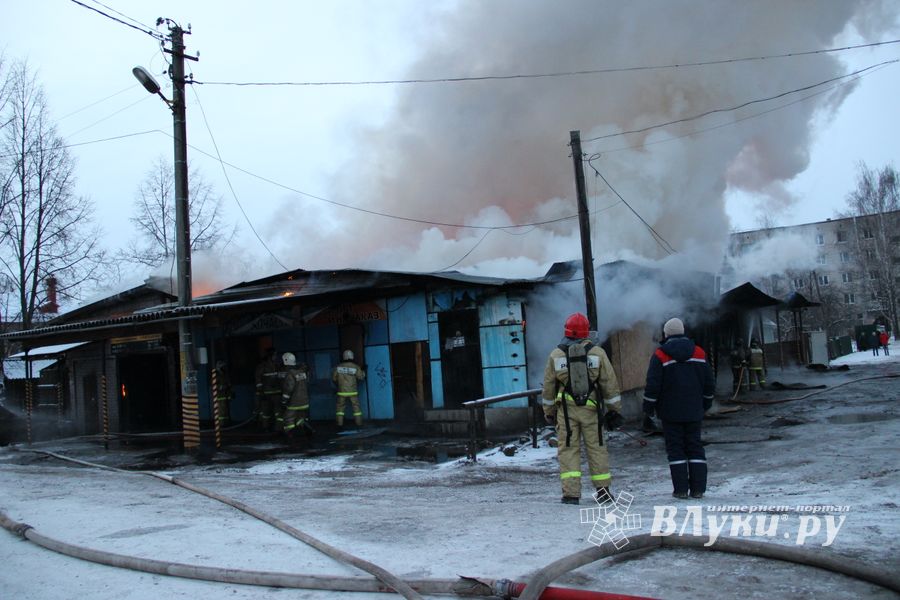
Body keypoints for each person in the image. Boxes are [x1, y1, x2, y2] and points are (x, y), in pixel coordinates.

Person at [542, 312, 623, 505]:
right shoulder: (597, 353)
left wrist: (549, 412)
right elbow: (609, 384)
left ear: (566, 331)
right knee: (597, 449)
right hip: (592, 411)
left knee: (568, 450)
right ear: (587, 332)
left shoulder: (556, 355)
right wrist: (614, 410)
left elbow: (548, 388)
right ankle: (603, 492)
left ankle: (571, 495)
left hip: (567, 413)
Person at [643, 318, 716, 500]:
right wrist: (706, 403)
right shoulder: (699, 352)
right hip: (694, 411)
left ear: (666, 334)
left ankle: (681, 490)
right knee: (695, 447)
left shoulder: (660, 355)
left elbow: (653, 384)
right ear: (683, 332)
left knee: (675, 450)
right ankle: (698, 490)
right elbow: (709, 382)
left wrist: (648, 408)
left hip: (670, 413)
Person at [281, 352, 312, 440]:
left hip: (294, 403)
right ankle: (308, 429)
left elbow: (289, 388)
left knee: (288, 418)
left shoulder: (290, 374)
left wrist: (283, 400)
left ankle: (289, 435)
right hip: (304, 401)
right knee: (300, 418)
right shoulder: (302, 372)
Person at [332, 350, 366, 428]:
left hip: (341, 392)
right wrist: (363, 371)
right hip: (353, 392)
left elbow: (334, 378)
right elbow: (361, 377)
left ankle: (339, 424)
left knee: (340, 409)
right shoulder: (355, 367)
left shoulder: (338, 367)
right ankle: (359, 423)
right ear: (352, 357)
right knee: (356, 408)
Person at [254, 348, 283, 432]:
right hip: (266, 394)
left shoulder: (277, 365)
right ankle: (265, 428)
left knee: (278, 412)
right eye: (274, 355)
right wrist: (260, 391)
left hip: (277, 393)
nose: (276, 357)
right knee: (266, 412)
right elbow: (258, 379)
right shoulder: (262, 366)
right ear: (270, 356)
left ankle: (278, 429)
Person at [212, 360, 233, 428]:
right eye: (222, 367)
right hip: (220, 396)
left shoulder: (224, 374)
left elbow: (228, 384)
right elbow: (214, 385)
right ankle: (221, 424)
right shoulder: (216, 375)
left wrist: (230, 392)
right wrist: (222, 387)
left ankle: (226, 423)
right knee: (221, 412)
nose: (224, 368)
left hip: (225, 395)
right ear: (218, 367)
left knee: (226, 411)